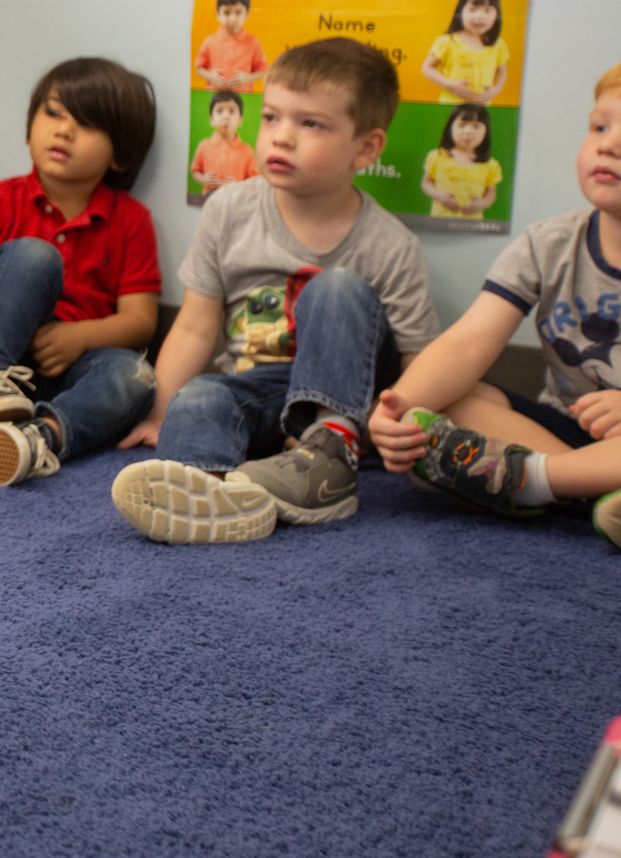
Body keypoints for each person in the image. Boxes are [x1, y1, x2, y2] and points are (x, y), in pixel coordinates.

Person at [110, 39, 441, 544]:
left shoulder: (390, 244)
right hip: (255, 391)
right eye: (270, 118)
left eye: (310, 124)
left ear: (367, 148)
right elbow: (197, 325)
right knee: (198, 397)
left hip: (344, 406)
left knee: (337, 287)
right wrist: (161, 410)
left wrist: (396, 427)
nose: (280, 138)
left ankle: (327, 455)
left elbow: (421, 362)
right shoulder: (228, 211)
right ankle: (213, 494)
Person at [367, 64, 621, 547]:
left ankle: (534, 484)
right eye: (600, 127)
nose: (607, 144)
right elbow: (466, 345)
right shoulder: (547, 245)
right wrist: (398, 410)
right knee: (453, 397)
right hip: (564, 431)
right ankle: (584, 487)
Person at [0, 58, 161, 488]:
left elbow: (142, 321)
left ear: (121, 157)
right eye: (52, 113)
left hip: (72, 367)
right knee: (35, 256)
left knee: (137, 378)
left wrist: (80, 339)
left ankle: (37, 439)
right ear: (29, 127)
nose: (63, 130)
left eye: (87, 124)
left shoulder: (131, 220)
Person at [422, 0, 510, 106]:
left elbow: (501, 71)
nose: (479, 16)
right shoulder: (448, 41)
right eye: (472, 9)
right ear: (460, 12)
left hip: (482, 107)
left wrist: (496, 90)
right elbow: (427, 68)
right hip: (451, 105)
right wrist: (449, 84)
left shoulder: (497, 44)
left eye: (487, 10)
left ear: (497, 15)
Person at [421, 104, 503, 221]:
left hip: (472, 223)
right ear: (450, 127)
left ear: (486, 131)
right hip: (440, 220)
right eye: (462, 125)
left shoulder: (490, 164)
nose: (468, 131)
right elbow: (426, 182)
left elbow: (491, 192)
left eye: (476, 126)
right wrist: (438, 195)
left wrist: (484, 203)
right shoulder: (437, 156)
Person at [195, 0, 267, 93]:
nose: (232, 19)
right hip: (214, 97)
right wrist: (210, 76)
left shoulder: (253, 42)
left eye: (238, 12)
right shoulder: (210, 41)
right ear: (218, 14)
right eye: (226, 12)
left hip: (243, 97)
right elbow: (199, 67)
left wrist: (248, 78)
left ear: (247, 14)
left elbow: (263, 70)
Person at [191, 89, 259, 196]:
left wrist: (239, 185)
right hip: (208, 201)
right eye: (219, 111)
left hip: (235, 201)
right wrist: (204, 179)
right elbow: (195, 171)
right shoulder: (204, 145)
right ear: (211, 119)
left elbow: (255, 181)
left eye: (232, 111)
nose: (225, 116)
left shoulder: (247, 150)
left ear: (240, 120)